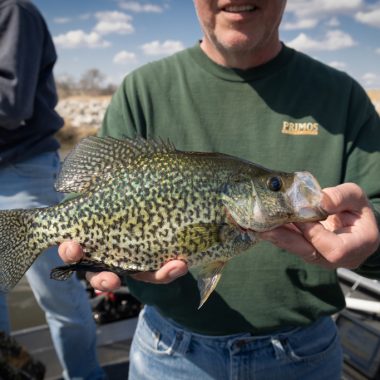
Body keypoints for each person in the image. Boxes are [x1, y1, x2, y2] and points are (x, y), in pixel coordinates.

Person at [59, 0, 380, 379]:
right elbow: (86, 205)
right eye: (274, 186)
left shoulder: (342, 97)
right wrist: (92, 261)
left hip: (304, 357)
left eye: (274, 185)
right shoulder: (141, 90)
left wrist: (373, 242)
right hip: (169, 353)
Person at [0, 0, 106, 379]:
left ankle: (85, 375)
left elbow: (10, 103)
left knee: (58, 291)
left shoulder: (12, 11)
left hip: (23, 170)